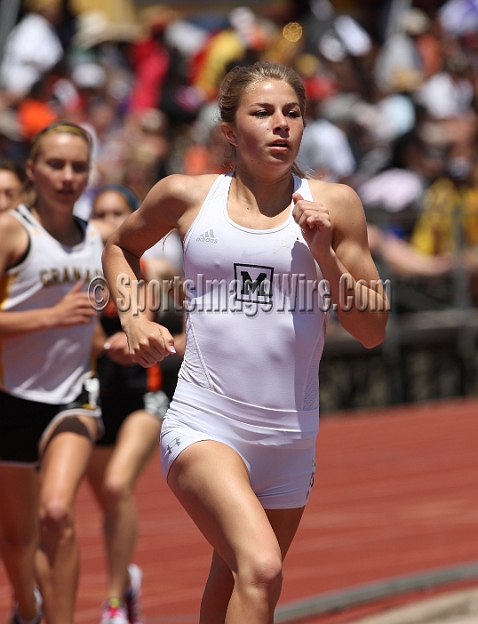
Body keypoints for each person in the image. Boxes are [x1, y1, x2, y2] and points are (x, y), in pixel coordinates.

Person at [102, 61, 388, 623]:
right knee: (261, 569)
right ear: (230, 131)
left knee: (234, 581)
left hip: (290, 438)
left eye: (293, 113)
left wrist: (324, 252)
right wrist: (134, 318)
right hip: (205, 421)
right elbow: (119, 247)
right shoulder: (187, 196)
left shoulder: (336, 205)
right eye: (263, 113)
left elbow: (372, 330)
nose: (281, 125)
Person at [0, 121, 103, 624]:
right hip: (10, 398)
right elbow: (63, 313)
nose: (68, 177)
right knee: (18, 539)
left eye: (78, 167)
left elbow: (100, 313)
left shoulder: (97, 239)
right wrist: (50, 317)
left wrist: (124, 336)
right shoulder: (11, 232)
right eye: (56, 165)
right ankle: (26, 609)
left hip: (75, 396)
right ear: (32, 171)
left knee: (57, 513)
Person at [87, 184, 172, 624]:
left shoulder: (152, 270)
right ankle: (129, 580)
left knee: (119, 486)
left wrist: (149, 334)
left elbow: (154, 314)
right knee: (110, 506)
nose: (107, 219)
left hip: (145, 394)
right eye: (100, 212)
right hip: (96, 397)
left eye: (117, 212)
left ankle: (115, 602)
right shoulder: (79, 273)